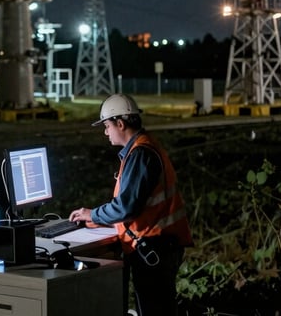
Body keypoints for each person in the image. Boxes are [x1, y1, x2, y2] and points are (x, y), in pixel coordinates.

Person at [69, 93, 193, 316]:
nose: (105, 132)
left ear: (120, 123)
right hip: (160, 245)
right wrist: (99, 220)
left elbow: (126, 208)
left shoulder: (140, 155)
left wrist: (92, 214)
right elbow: (136, 206)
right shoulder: (144, 147)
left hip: (154, 248)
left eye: (107, 126)